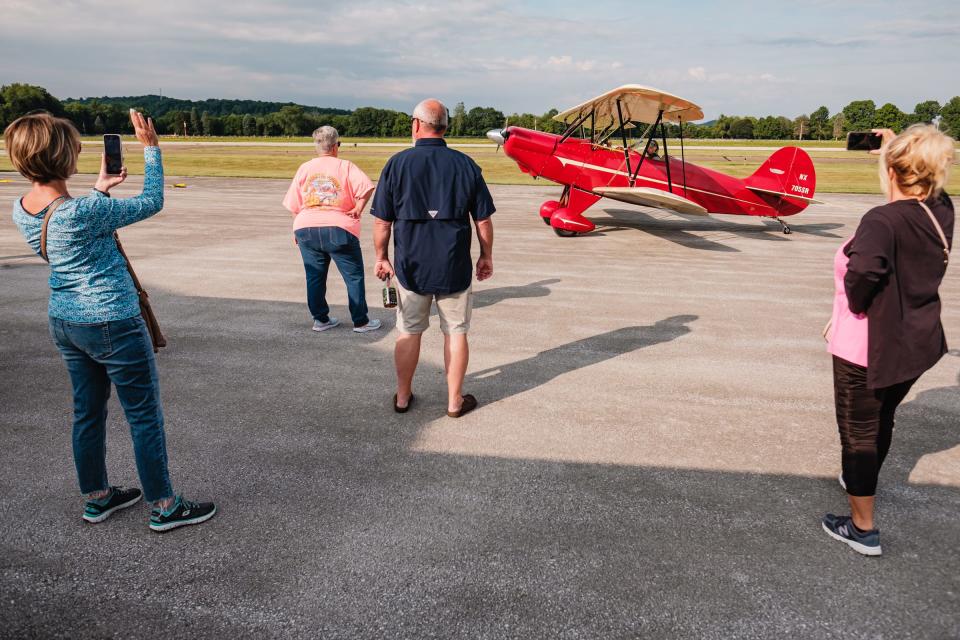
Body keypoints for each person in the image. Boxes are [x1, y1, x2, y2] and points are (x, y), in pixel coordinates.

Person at [6, 110, 216, 532]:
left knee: (87, 413)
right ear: (64, 156)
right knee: (143, 415)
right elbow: (151, 202)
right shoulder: (80, 212)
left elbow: (71, 222)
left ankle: (97, 497)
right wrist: (152, 150)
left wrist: (100, 189)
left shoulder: (20, 207)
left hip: (66, 320)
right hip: (112, 321)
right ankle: (164, 505)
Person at [822, 124, 955, 556]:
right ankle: (863, 481)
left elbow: (864, 275)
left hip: (866, 346)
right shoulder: (940, 208)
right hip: (915, 345)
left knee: (857, 434)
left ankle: (862, 528)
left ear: (894, 172)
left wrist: (850, 310)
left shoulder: (880, 220)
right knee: (883, 419)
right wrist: (896, 147)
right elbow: (918, 190)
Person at [371, 98, 495, 418]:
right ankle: (454, 401)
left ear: (416, 124)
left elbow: (382, 221)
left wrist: (381, 257)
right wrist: (486, 256)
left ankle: (402, 396)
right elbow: (482, 220)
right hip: (453, 264)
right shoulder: (465, 164)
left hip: (411, 265)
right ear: (446, 127)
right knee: (455, 331)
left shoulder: (397, 164)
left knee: (409, 330)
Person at [283, 126, 380, 333]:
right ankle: (360, 321)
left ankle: (320, 319)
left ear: (316, 146)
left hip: (306, 227)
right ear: (337, 145)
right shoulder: (345, 166)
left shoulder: (304, 168)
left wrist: (296, 230)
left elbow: (294, 204)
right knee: (353, 276)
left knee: (314, 276)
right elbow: (367, 187)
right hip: (339, 227)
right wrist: (358, 208)